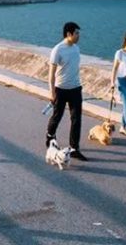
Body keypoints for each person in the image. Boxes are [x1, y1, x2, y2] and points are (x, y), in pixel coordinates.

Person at [46, 21, 88, 161]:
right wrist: (52, 92)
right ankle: (50, 135)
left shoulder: (76, 48)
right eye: (76, 33)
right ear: (69, 34)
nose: (78, 36)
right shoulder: (58, 49)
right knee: (57, 116)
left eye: (78, 33)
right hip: (60, 89)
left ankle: (74, 148)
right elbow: (51, 74)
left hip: (75, 89)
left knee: (76, 119)